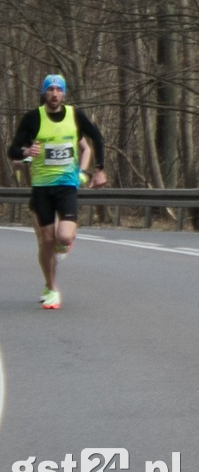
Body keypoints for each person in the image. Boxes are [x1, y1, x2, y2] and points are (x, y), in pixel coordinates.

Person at [7, 74, 107, 309]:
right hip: (42, 187)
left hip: (67, 185)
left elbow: (97, 138)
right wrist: (25, 152)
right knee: (46, 241)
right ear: (44, 93)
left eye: (58, 90)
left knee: (62, 237)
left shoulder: (75, 116)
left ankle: (65, 244)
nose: (54, 94)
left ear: (63, 94)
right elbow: (13, 150)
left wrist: (99, 170)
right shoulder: (33, 118)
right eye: (50, 89)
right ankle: (51, 288)